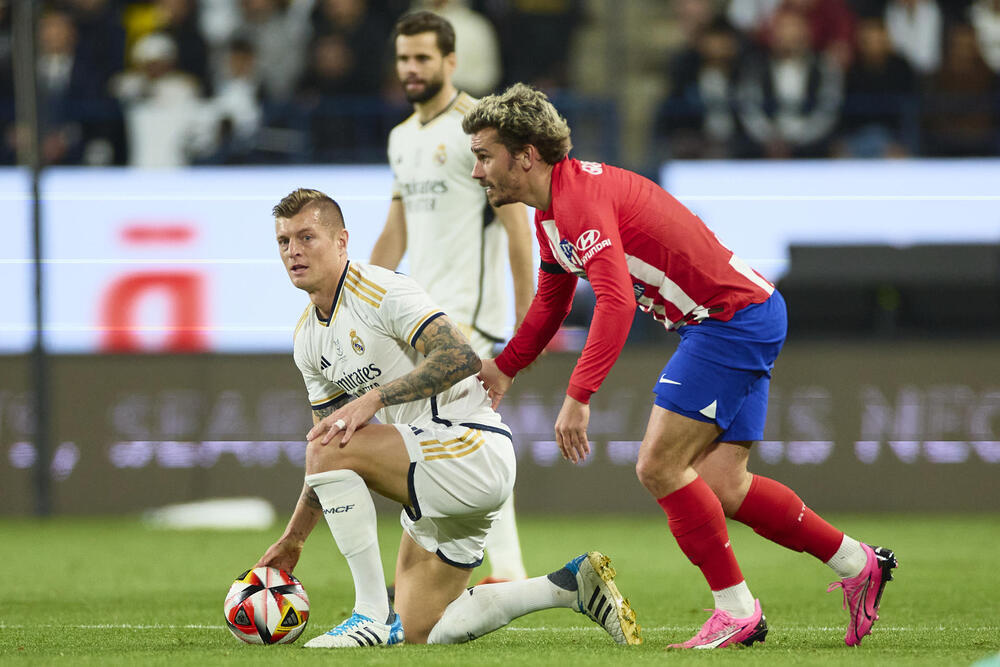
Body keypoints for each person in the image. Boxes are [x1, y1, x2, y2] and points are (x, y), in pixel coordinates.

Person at [464, 83, 897, 649]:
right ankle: (859, 564)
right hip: (745, 313)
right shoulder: (551, 208)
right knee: (724, 484)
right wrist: (506, 367)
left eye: (484, 155)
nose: (477, 172)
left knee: (659, 466)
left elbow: (616, 302)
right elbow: (552, 300)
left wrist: (579, 395)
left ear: (525, 155)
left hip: (729, 320)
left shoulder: (577, 204)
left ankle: (737, 611)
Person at [255, 188, 641, 648]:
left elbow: (461, 357)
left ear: (342, 241)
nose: (294, 251)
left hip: (469, 448)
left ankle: (369, 614)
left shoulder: (382, 290)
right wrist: (293, 540)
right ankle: (567, 585)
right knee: (421, 632)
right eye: (284, 242)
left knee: (326, 447)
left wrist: (375, 399)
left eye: (307, 237)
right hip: (432, 471)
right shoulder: (306, 339)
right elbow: (328, 451)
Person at [370, 10, 534, 585]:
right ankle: (480, 567)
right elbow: (397, 230)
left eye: (422, 58)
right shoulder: (401, 138)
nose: (411, 69)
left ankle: (497, 569)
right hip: (422, 323)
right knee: (454, 446)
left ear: (451, 61)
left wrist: (525, 325)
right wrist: (357, 300)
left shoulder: (477, 130)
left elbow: (518, 232)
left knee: (456, 443)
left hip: (473, 322)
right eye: (403, 59)